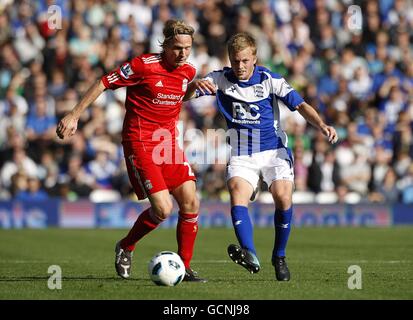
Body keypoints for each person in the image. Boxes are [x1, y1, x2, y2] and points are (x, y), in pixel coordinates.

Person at [56, 19, 206, 282]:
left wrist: (195, 89)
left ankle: (184, 266)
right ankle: (126, 246)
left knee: (191, 201)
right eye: (177, 47)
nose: (182, 53)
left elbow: (178, 95)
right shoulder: (142, 65)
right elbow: (104, 81)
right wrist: (74, 114)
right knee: (162, 210)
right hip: (140, 142)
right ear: (165, 45)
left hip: (168, 143)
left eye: (187, 48)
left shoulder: (188, 71)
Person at [185, 33, 338, 281]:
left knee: (283, 196)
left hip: (273, 149)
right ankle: (250, 254)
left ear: (254, 58)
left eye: (245, 60)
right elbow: (184, 96)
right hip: (242, 152)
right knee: (236, 190)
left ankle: (279, 256)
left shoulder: (270, 80)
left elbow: (300, 105)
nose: (240, 66)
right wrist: (193, 86)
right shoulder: (219, 79)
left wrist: (321, 125)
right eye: (235, 61)